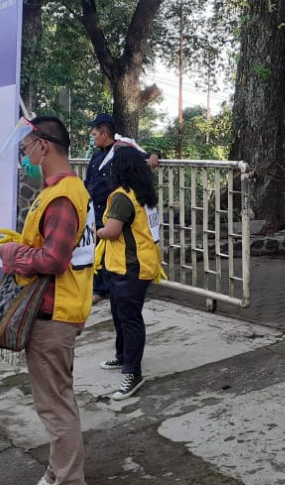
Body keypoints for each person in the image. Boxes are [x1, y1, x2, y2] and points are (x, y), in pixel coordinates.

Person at [0, 115, 95, 485]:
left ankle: (68, 479)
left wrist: (13, 255)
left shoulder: (62, 197)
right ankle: (58, 471)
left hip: (54, 313)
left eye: (26, 149)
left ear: (43, 145)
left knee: (55, 407)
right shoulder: (65, 190)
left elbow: (54, 259)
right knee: (57, 399)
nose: (25, 157)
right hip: (62, 307)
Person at [95, 146, 163, 401]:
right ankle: (123, 356)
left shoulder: (122, 197)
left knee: (130, 319)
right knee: (121, 314)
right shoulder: (142, 193)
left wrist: (99, 231)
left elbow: (112, 231)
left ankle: (133, 372)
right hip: (133, 264)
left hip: (131, 267)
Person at [84, 114, 159, 304]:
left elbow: (145, 156)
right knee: (96, 250)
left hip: (114, 209)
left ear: (105, 134)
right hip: (95, 208)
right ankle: (97, 286)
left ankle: (106, 288)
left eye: (95, 134)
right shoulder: (96, 156)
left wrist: (154, 156)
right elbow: (89, 179)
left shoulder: (122, 150)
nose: (93, 138)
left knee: (111, 245)